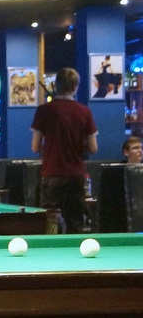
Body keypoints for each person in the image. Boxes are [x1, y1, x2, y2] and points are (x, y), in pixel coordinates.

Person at [30, 67, 98, 233]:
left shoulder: (44, 110)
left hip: (52, 173)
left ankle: (51, 248)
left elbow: (35, 147)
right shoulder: (85, 112)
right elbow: (93, 148)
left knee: (50, 223)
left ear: (56, 85)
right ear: (75, 87)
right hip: (76, 175)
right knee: (75, 222)